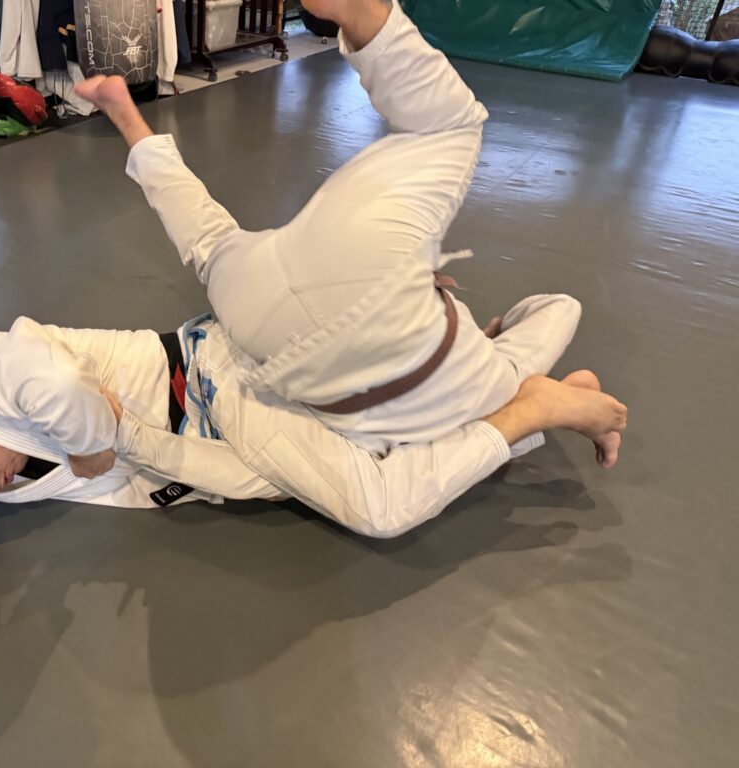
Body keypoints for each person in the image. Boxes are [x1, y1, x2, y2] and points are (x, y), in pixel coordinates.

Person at [72, 0, 590, 459]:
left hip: (309, 313)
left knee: (449, 127)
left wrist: (490, 329)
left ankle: (364, 19)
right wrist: (491, 337)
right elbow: (561, 306)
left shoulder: (486, 378)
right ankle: (127, 117)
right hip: (265, 327)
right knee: (209, 240)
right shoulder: (489, 386)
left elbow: (554, 309)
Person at [0, 311, 626, 538]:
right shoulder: (3, 473)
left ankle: (532, 409)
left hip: (217, 384)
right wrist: (222, 481)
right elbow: (139, 486)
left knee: (381, 506)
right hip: (221, 445)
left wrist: (99, 447)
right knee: (402, 436)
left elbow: (61, 385)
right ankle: (537, 391)